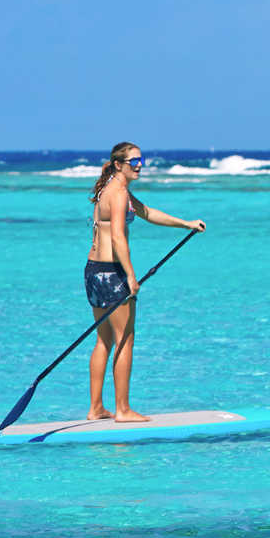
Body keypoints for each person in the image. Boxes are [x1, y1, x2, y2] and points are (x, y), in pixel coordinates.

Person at [84, 142, 205, 422]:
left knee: (103, 340)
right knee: (125, 339)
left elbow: (148, 213)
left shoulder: (113, 189)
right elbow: (117, 236)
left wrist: (186, 224)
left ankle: (96, 408)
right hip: (112, 272)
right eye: (133, 162)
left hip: (93, 271)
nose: (139, 166)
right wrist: (129, 275)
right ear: (118, 164)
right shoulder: (117, 192)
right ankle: (123, 410)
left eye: (141, 160)